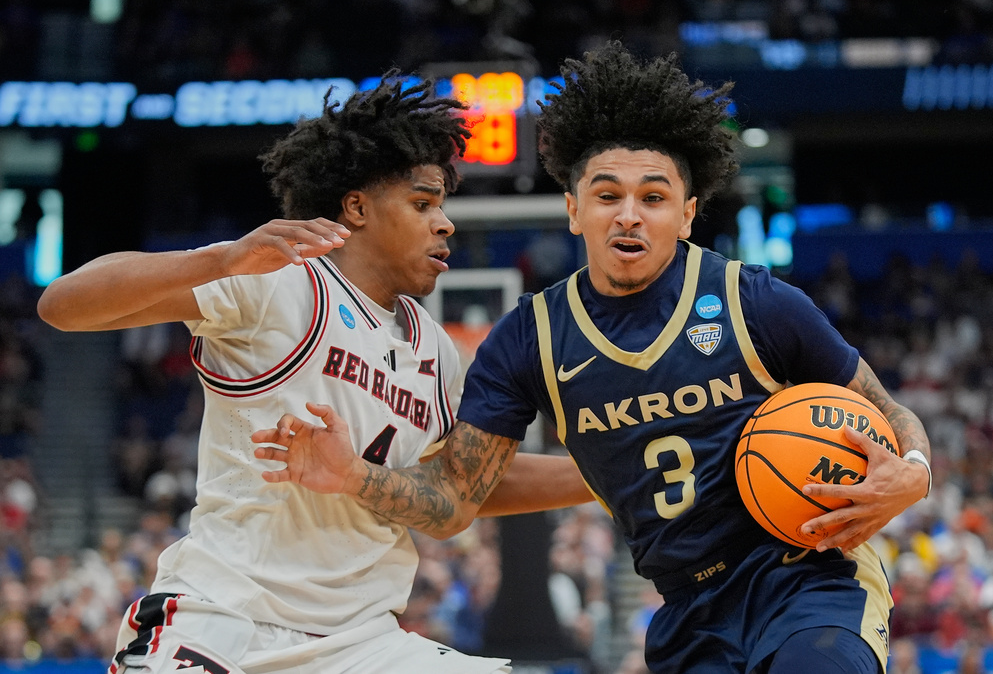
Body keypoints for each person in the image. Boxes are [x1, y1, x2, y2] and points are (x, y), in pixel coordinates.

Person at [251, 42, 934, 673]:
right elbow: (455, 499)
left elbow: (889, 410)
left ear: (688, 214)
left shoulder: (753, 301)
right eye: (608, 195)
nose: (629, 215)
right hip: (688, 609)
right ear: (575, 209)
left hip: (809, 578)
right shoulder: (532, 338)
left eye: (654, 197)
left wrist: (913, 470)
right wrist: (353, 477)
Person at [36, 73, 591, 674]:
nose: (445, 223)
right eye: (423, 203)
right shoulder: (282, 282)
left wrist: (610, 474)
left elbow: (463, 487)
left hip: (362, 643)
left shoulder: (437, 350)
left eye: (442, 206)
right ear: (357, 206)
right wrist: (221, 258)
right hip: (226, 619)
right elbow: (64, 304)